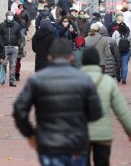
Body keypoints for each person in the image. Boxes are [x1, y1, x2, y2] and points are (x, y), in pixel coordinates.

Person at [13, 38, 102, 166]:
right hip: (76, 144)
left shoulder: (37, 80)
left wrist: (30, 134)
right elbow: (96, 112)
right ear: (71, 57)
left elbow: (19, 109)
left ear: (49, 57)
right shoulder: (84, 80)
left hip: (48, 144)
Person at [81, 47, 131, 166]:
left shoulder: (73, 80)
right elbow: (122, 111)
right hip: (103, 134)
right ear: (98, 62)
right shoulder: (108, 81)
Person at [0, 11, 22, 87]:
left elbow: (20, 37)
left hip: (14, 48)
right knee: (3, 64)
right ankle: (2, 79)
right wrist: (0, 46)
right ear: (6, 16)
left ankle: (12, 81)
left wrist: (18, 45)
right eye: (9, 15)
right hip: (4, 48)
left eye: (11, 15)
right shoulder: (2, 25)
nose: (10, 17)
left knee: (13, 65)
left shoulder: (17, 25)